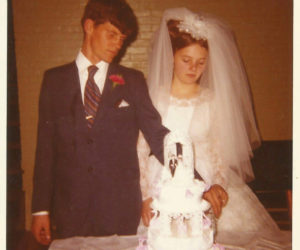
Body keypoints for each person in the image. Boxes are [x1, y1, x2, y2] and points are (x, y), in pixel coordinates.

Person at [31, 1, 227, 246]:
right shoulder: (54, 81)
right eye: (111, 34)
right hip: (70, 208)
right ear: (89, 26)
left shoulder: (131, 81)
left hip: (119, 209)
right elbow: (45, 150)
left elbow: (158, 137)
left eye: (122, 38)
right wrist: (40, 210)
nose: (118, 44)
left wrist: (199, 183)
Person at [138, 7, 280, 235]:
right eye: (186, 60)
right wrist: (145, 197)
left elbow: (219, 152)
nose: (194, 68)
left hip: (207, 181)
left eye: (201, 62)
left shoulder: (211, 101)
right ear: (172, 56)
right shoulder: (154, 97)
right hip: (162, 183)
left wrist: (218, 184)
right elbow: (141, 151)